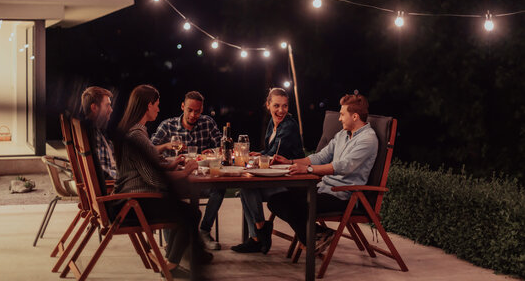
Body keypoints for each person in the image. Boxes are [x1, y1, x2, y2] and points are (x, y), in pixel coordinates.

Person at [113, 85, 211, 279]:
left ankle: (172, 258)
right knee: (190, 214)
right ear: (148, 105)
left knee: (182, 209)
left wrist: (172, 163)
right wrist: (186, 172)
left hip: (132, 197)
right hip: (134, 203)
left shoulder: (134, 131)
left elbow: (147, 167)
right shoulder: (137, 136)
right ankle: (172, 265)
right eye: (156, 105)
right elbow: (154, 179)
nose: (158, 109)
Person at [267, 93, 378, 252]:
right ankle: (318, 235)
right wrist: (290, 162)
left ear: (354, 116)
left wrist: (308, 170)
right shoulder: (342, 135)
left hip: (344, 196)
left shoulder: (368, 139)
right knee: (276, 200)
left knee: (296, 206)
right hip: (324, 188)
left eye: (342, 114)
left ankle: (311, 239)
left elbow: (343, 166)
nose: (339, 119)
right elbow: (321, 157)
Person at [231, 88, 304, 254]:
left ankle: (260, 233)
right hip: (276, 176)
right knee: (246, 190)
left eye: (285, 106)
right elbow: (270, 152)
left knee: (248, 189)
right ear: (268, 105)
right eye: (276, 105)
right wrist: (260, 154)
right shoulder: (273, 123)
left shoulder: (289, 126)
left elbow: (274, 157)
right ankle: (258, 234)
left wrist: (259, 158)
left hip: (292, 182)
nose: (281, 110)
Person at [151, 91, 224, 250]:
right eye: (190, 110)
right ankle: (172, 244)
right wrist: (165, 146)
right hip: (179, 180)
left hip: (201, 178)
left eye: (197, 111)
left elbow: (221, 147)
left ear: (202, 109)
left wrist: (212, 152)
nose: (193, 114)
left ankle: (204, 231)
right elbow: (149, 151)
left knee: (219, 188)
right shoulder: (167, 126)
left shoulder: (207, 123)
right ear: (183, 107)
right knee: (166, 191)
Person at [81, 86, 117, 180]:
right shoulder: (91, 133)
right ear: (94, 107)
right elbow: (103, 172)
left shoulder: (95, 129)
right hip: (114, 186)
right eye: (107, 105)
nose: (111, 110)